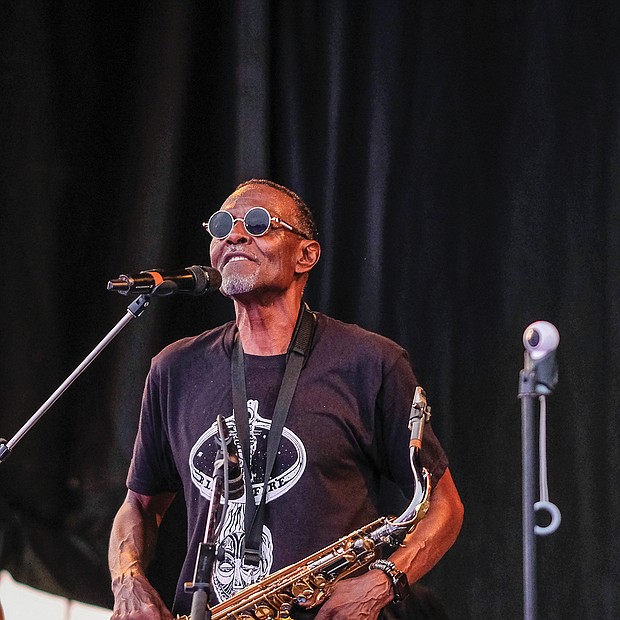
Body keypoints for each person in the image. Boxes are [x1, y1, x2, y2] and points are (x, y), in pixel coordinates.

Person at [108, 179, 464, 620]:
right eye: (222, 226)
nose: (235, 235)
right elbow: (139, 506)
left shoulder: (372, 363)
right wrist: (127, 580)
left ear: (306, 255)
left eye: (258, 223)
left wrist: (381, 582)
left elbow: (444, 507)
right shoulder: (173, 369)